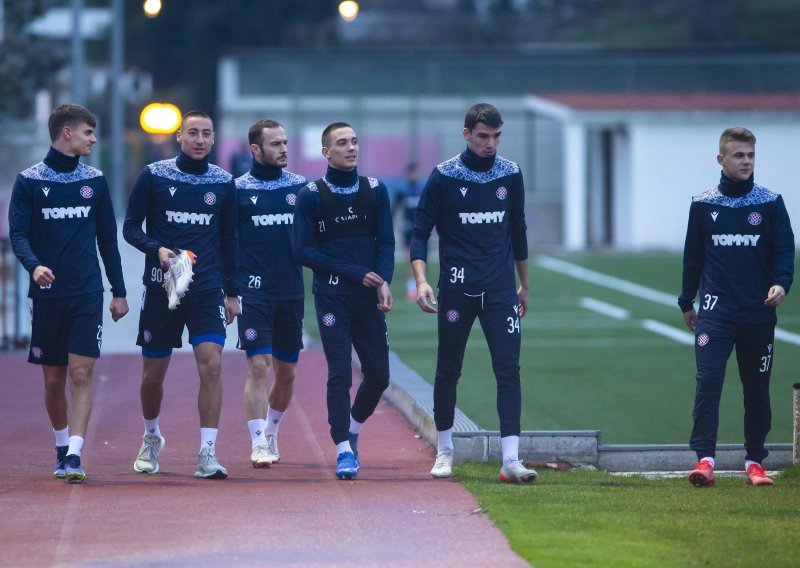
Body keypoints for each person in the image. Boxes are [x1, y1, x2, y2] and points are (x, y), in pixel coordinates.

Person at [410, 103, 537, 483]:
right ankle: (445, 450)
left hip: (500, 291)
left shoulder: (510, 175)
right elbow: (419, 233)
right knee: (448, 370)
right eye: (483, 136)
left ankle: (510, 459)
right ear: (467, 134)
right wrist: (421, 280)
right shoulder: (443, 177)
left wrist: (525, 284)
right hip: (457, 290)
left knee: (509, 370)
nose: (491, 144)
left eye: (497, 136)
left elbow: (518, 231)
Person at [8, 103, 129, 483]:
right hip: (46, 295)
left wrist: (119, 291)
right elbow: (18, 234)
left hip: (86, 293)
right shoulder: (28, 181)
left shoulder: (95, 181)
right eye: (88, 133)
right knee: (54, 380)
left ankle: (75, 453)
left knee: (81, 374)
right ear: (67, 133)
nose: (94, 139)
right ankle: (60, 444)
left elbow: (107, 239)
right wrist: (34, 265)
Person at [123, 110, 240, 479]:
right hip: (163, 286)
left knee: (212, 363)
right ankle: (151, 435)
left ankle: (207, 452)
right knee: (153, 375)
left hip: (206, 288)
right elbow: (129, 228)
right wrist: (156, 247)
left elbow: (230, 240)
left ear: (213, 138)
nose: (200, 140)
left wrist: (233, 293)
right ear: (179, 136)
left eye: (207, 134)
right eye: (193, 133)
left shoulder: (224, 182)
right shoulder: (154, 175)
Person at [679, 127, 794, 488]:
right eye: (739, 155)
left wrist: (782, 283)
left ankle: (755, 462)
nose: (746, 162)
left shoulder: (771, 202)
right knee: (708, 382)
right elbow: (692, 258)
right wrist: (686, 301)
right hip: (716, 311)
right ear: (721, 159)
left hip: (758, 313)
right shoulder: (703, 203)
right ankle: (705, 461)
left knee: (756, 388)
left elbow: (784, 252)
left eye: (751, 156)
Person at [293, 122, 395, 480]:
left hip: (368, 297)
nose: (351, 148)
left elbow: (386, 242)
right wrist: (354, 271)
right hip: (332, 296)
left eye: (354, 141)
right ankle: (342, 450)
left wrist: (383, 281)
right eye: (341, 143)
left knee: (379, 376)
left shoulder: (375, 190)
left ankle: (352, 428)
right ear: (326, 152)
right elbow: (302, 251)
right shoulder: (311, 195)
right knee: (339, 373)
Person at [235, 119, 307, 467]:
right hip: (254, 294)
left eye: (285, 143)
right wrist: (229, 291)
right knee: (259, 366)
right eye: (275, 144)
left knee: (287, 372)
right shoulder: (237, 191)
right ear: (255, 149)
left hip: (291, 292)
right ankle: (258, 442)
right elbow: (226, 244)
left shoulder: (300, 188)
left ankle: (272, 429)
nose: (283, 150)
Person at [393, 162, 425, 301]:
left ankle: (421, 285)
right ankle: (412, 289)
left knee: (423, 259)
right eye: (411, 173)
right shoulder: (402, 189)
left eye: (415, 172)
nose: (413, 175)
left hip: (423, 229)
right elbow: (394, 208)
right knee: (410, 258)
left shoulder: (424, 188)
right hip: (408, 229)